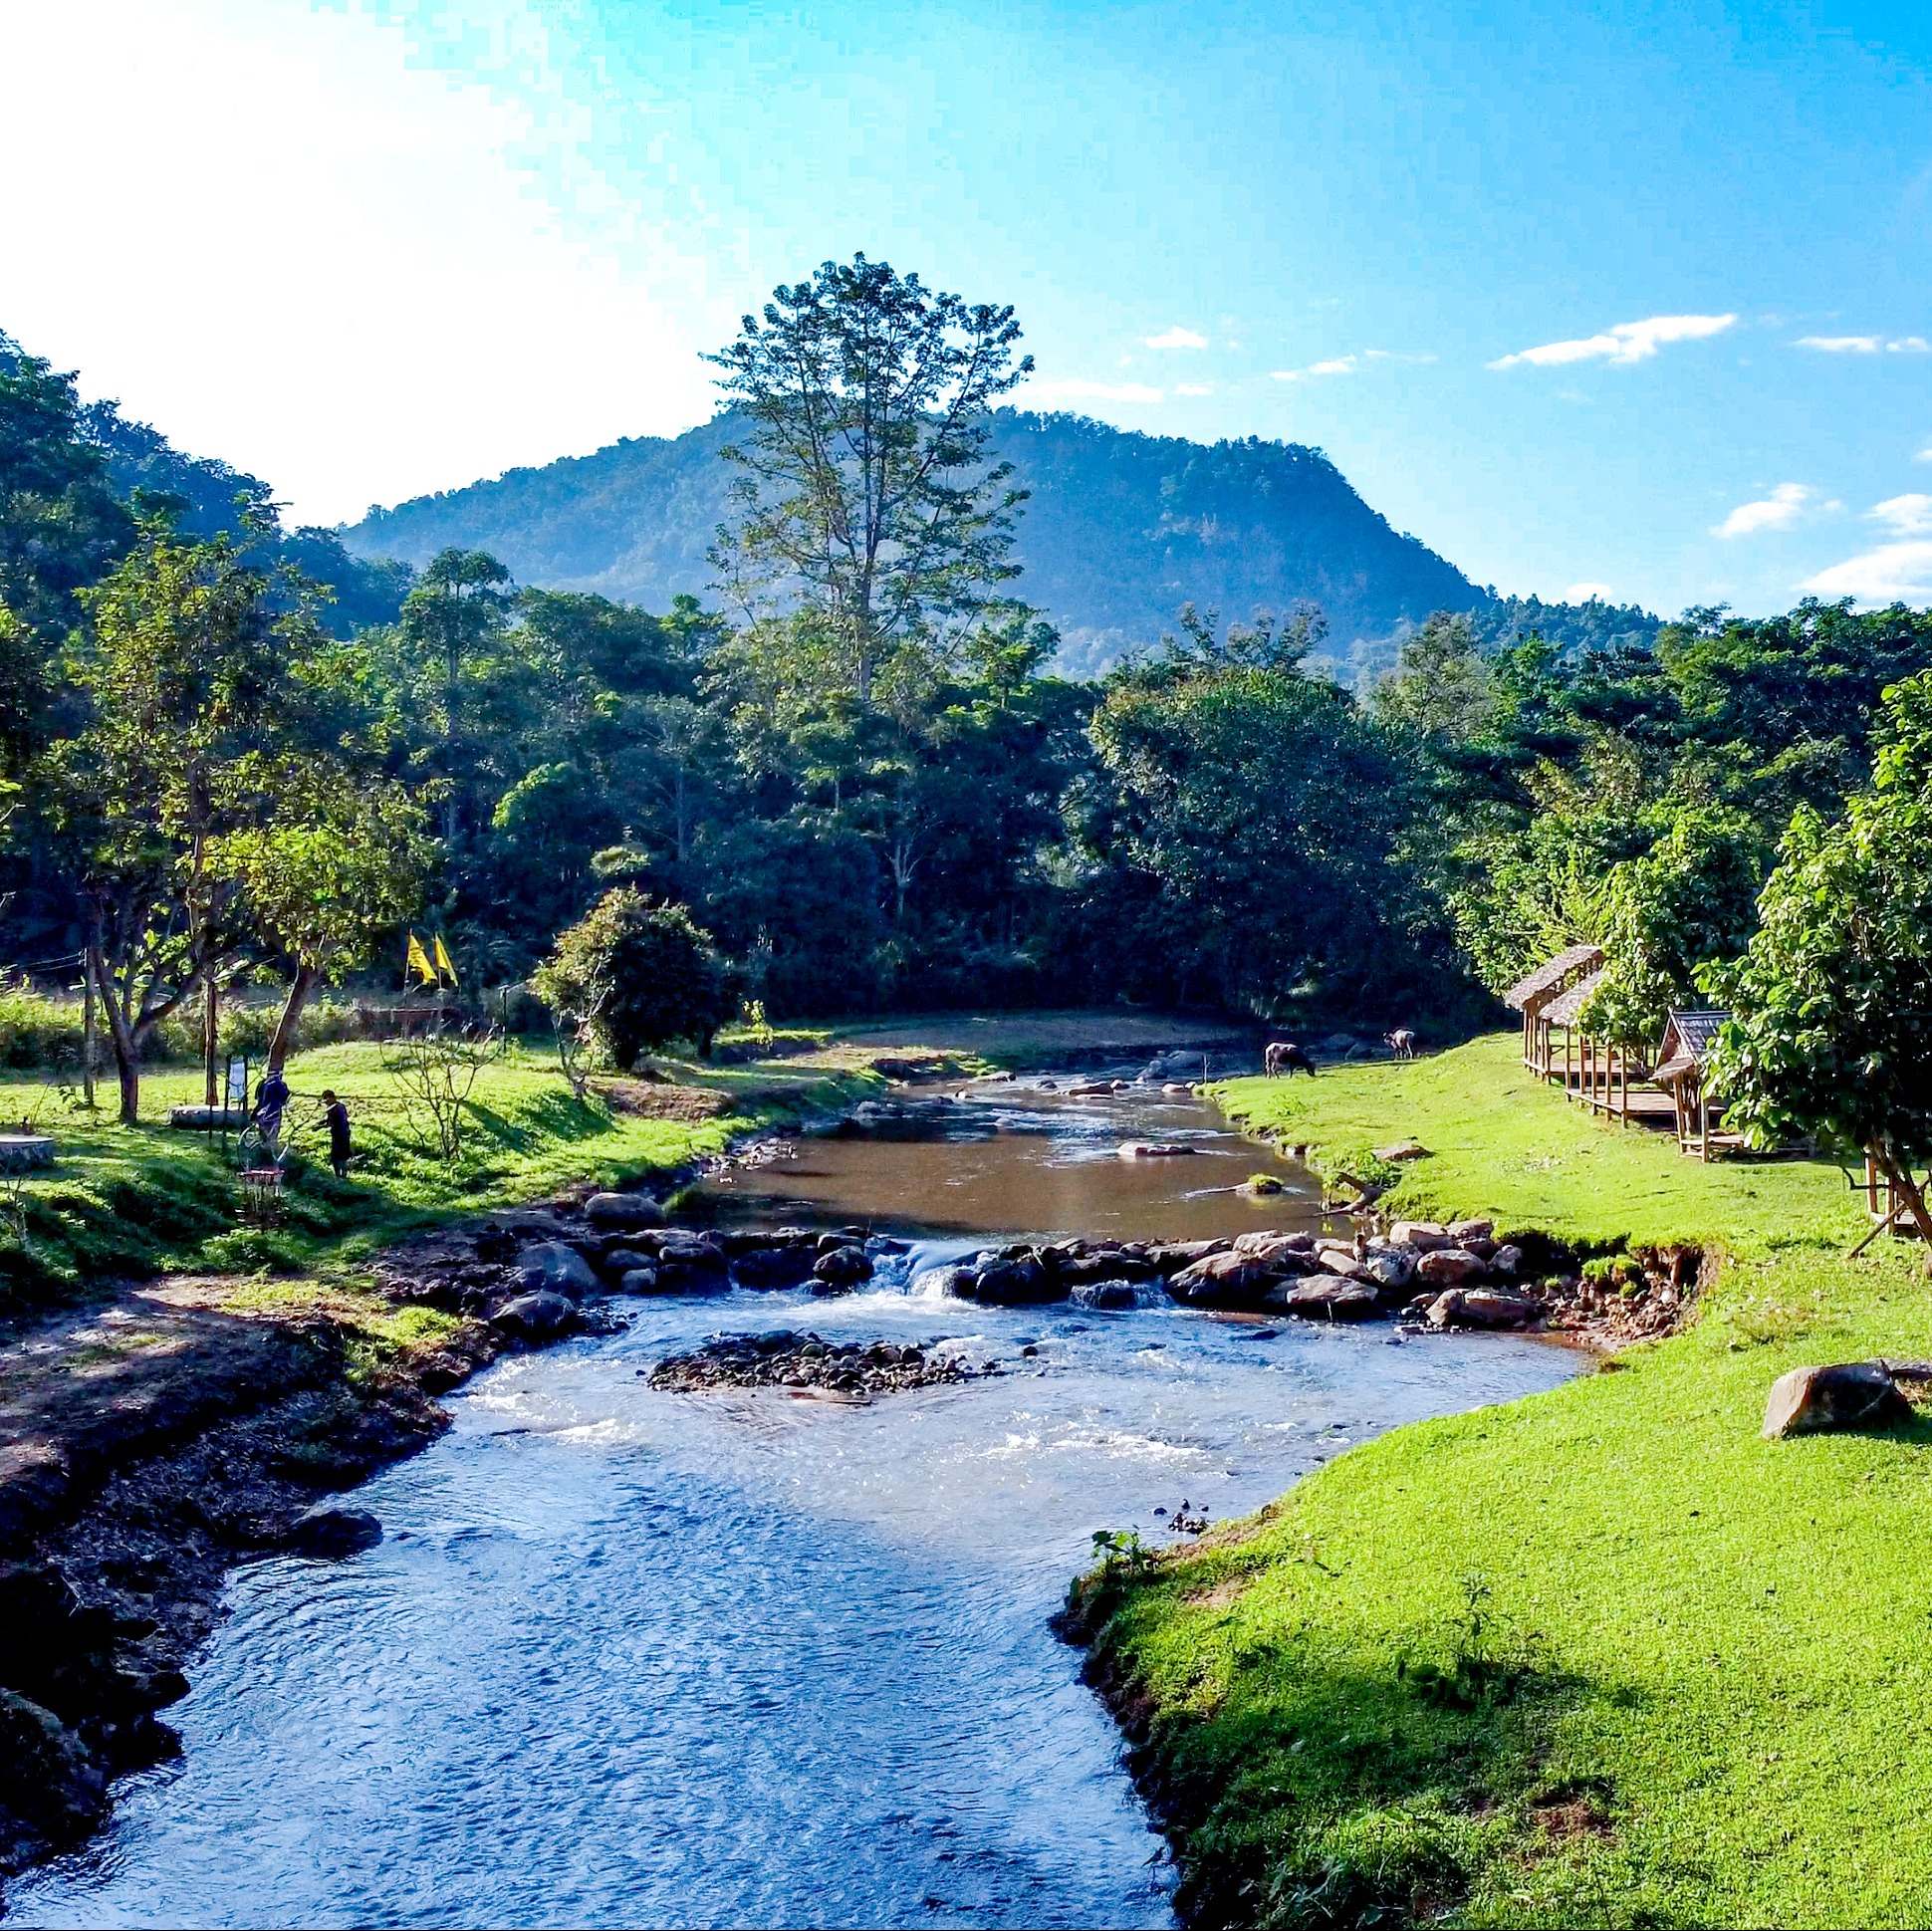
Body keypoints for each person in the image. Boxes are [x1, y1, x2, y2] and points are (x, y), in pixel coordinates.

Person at [254, 1066, 291, 1157]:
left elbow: (258, 1098)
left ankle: (263, 1154)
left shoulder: (262, 1083)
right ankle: (272, 1155)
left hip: (262, 1112)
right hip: (275, 1112)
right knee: (272, 1135)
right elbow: (285, 1099)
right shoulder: (281, 1085)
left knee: (263, 1135)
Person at [322, 1090, 353, 1180]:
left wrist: (318, 1127)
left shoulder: (333, 1108)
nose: (326, 1103)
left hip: (338, 1135)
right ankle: (344, 1176)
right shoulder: (341, 1106)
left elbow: (330, 1122)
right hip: (345, 1133)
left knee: (336, 1157)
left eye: (326, 1101)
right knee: (344, 1156)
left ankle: (338, 1176)